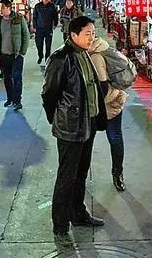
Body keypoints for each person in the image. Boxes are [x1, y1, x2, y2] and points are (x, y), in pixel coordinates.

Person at [43, 16, 107, 245]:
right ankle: (60, 225)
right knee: (66, 176)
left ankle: (78, 213)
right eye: (87, 33)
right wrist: (58, 118)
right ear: (73, 35)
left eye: (93, 33)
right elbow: (49, 94)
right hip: (70, 128)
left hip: (87, 124)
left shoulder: (85, 54)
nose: (92, 37)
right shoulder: (61, 58)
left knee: (81, 173)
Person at [89, 36, 134, 192]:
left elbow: (102, 84)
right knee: (114, 138)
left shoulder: (95, 55)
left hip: (106, 104)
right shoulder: (99, 48)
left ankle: (117, 174)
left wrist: (94, 104)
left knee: (112, 138)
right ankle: (117, 174)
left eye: (90, 33)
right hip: (111, 100)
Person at [0, 0, 30, 111]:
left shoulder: (18, 18)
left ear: (9, 8)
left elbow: (26, 35)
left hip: (16, 55)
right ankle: (10, 98)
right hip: (3, 55)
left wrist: (22, 52)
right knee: (7, 78)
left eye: (2, 7)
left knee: (17, 77)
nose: (0, 10)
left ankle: (18, 101)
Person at [33, 0, 59, 65]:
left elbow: (55, 16)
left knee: (48, 45)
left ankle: (47, 59)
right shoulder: (37, 6)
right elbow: (34, 17)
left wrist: (55, 24)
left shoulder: (52, 6)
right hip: (39, 29)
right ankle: (40, 56)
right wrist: (34, 26)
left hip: (48, 28)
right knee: (39, 44)